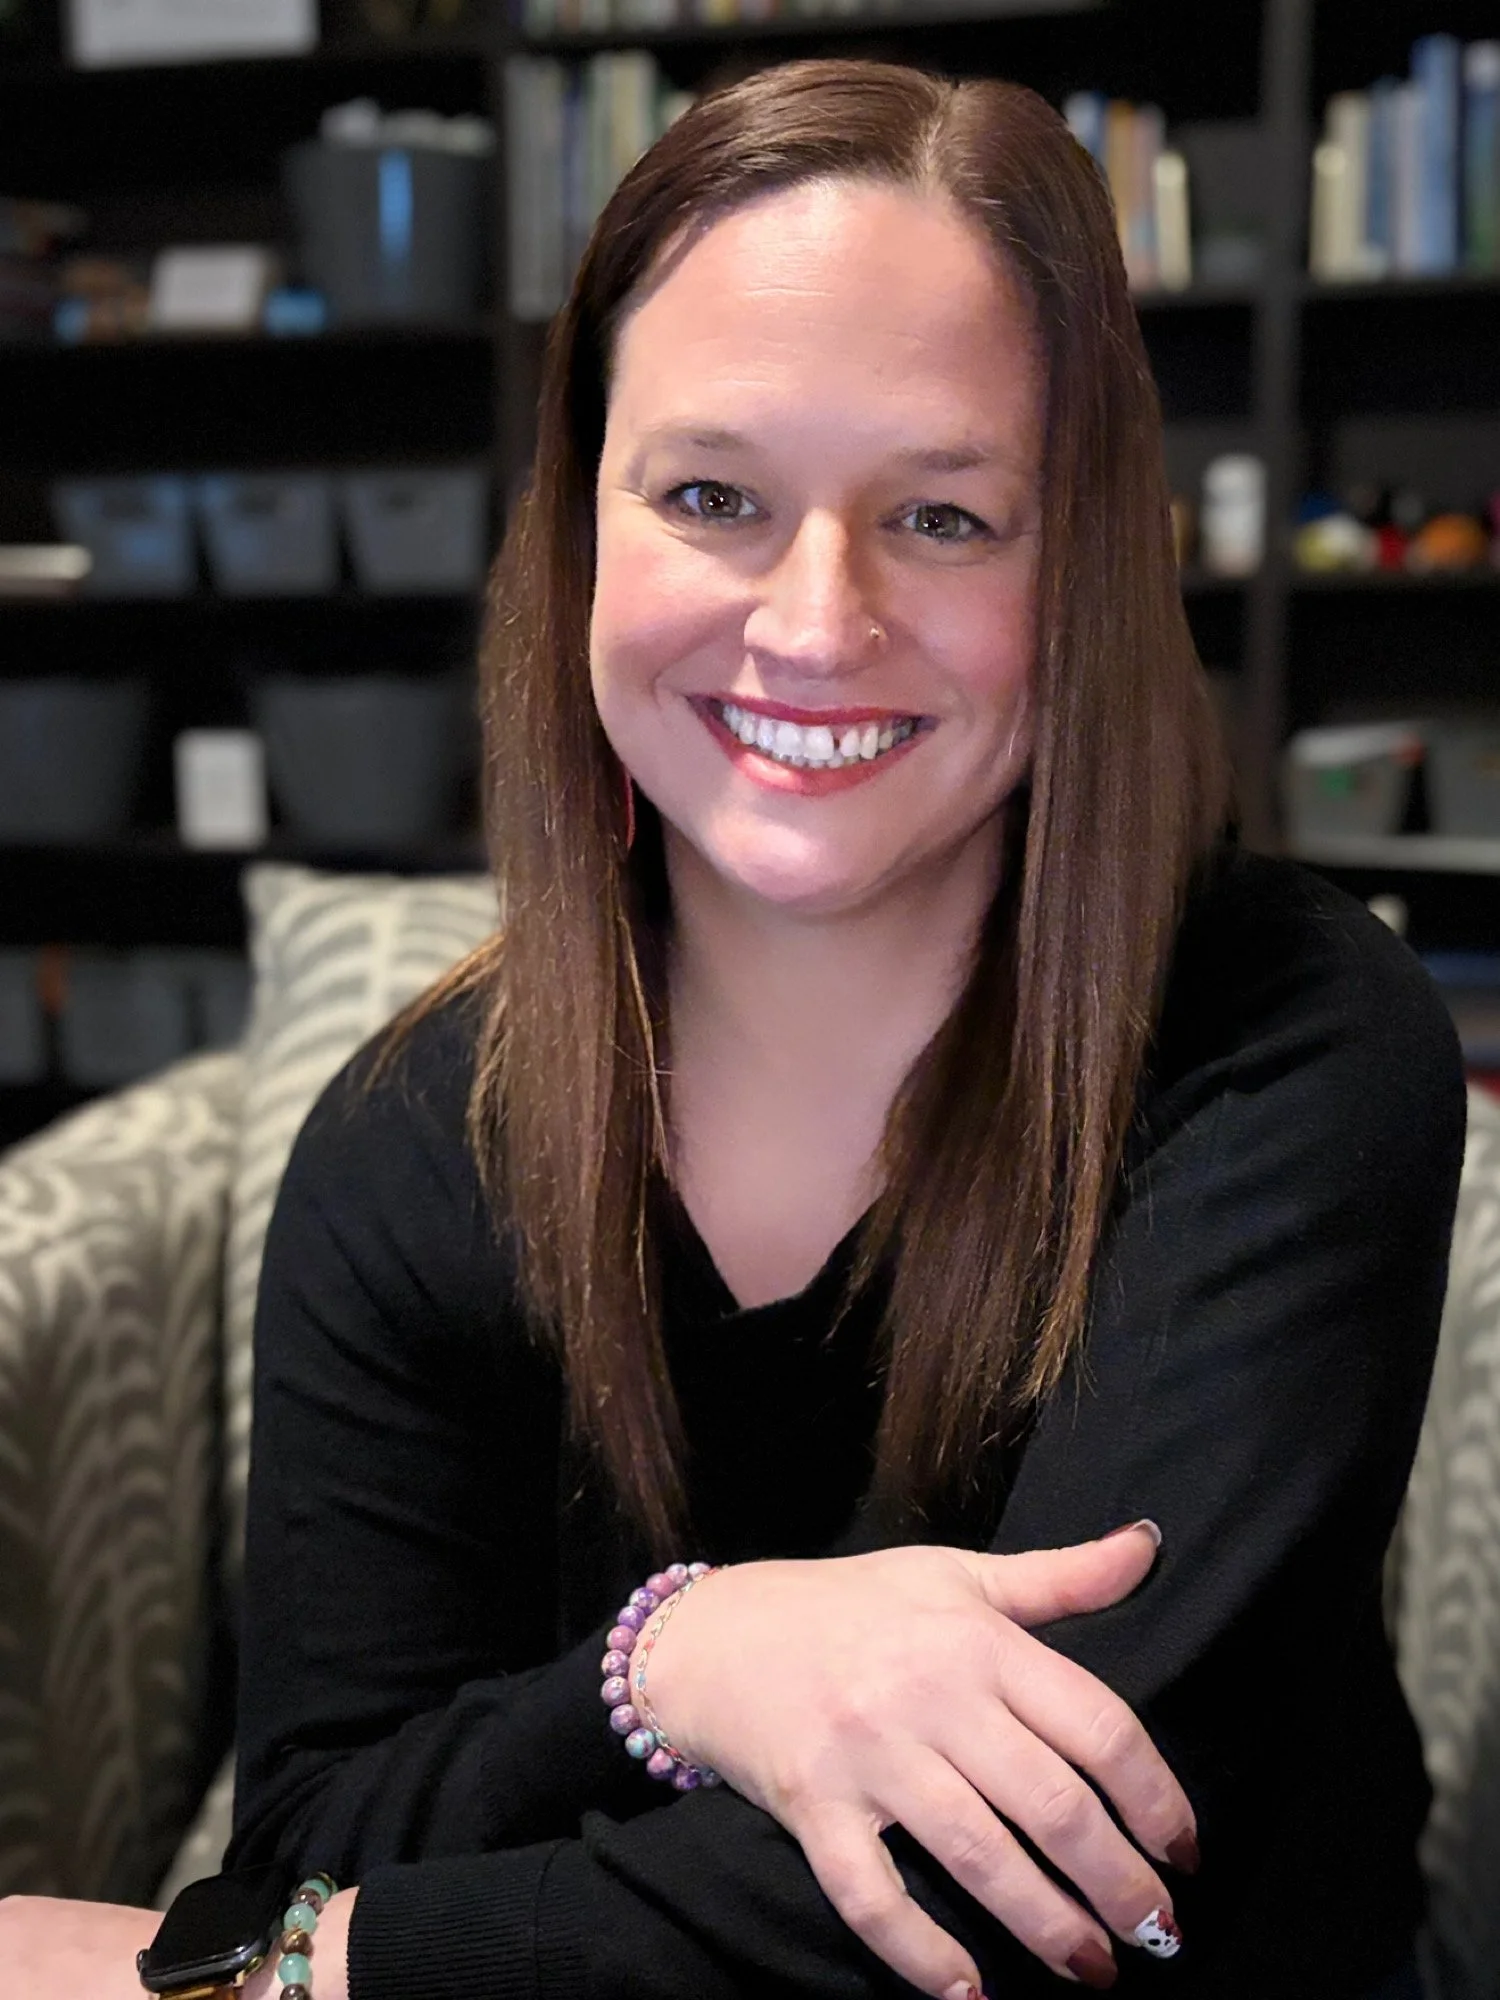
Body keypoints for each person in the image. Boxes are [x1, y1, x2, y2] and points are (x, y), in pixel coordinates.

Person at [0, 56, 1464, 2000]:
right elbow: (317, 1822)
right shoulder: (418, 1128)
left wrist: (242, 1975)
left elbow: (1011, 1900)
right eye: (711, 494)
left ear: (1086, 563)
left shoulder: (1290, 1042)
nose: (814, 620)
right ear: (581, 527)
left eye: (944, 515)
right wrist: (687, 1661)